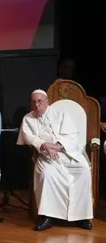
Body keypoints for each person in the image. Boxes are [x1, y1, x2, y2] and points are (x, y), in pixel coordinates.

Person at [17, 89, 93, 231]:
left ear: (47, 101)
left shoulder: (60, 114)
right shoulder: (28, 118)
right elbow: (29, 137)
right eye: (33, 102)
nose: (36, 105)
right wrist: (44, 146)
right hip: (46, 156)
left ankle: (82, 217)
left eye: (40, 101)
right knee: (47, 174)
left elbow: (72, 136)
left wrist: (57, 146)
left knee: (83, 171)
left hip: (67, 154)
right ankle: (47, 217)